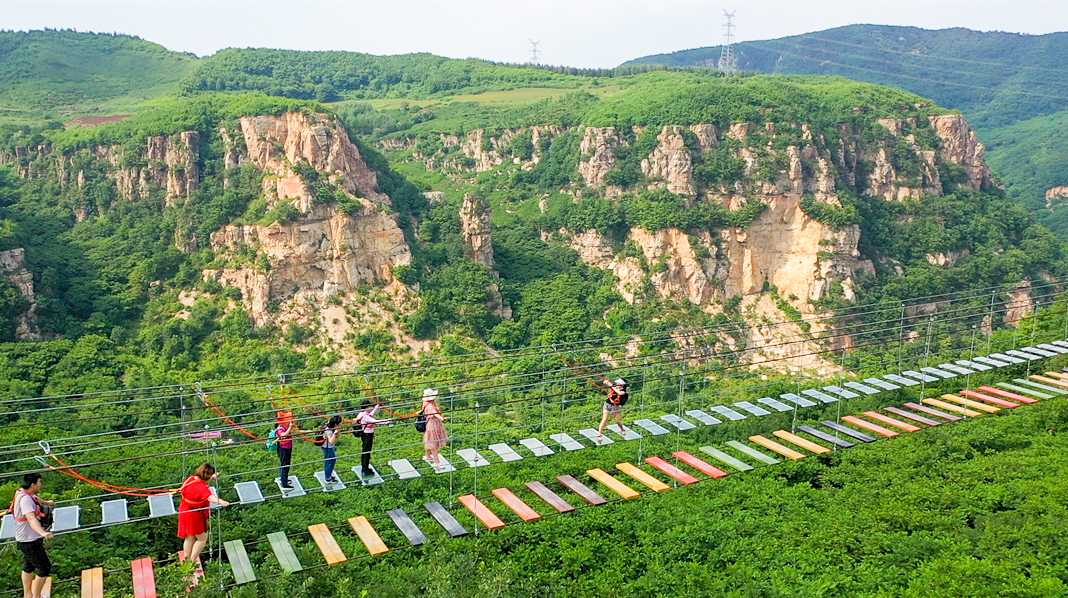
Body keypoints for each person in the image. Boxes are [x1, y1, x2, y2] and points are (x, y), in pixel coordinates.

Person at [177, 463, 230, 573]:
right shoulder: (202, 488)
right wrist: (222, 501)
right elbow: (210, 497)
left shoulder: (191, 479)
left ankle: (186, 561)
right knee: (201, 538)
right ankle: (192, 562)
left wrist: (212, 476)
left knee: (189, 536)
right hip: (195, 514)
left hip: (185, 509)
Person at [12, 473, 54, 598]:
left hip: (25, 538)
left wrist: (47, 502)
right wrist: (43, 532)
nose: (40, 484)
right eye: (39, 482)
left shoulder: (22, 492)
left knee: (28, 566)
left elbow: (36, 498)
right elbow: (30, 518)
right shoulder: (25, 500)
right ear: (33, 484)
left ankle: (28, 595)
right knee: (44, 568)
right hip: (29, 540)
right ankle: (36, 596)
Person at [354, 401, 390, 477]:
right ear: (366, 407)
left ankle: (365, 467)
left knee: (365, 451)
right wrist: (387, 421)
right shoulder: (365, 416)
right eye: (370, 406)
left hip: (366, 434)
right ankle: (365, 469)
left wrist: (377, 408)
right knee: (367, 452)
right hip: (367, 435)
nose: (371, 407)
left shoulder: (363, 414)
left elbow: (371, 414)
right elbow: (375, 421)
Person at [421, 388, 449, 466]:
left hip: (433, 423)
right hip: (433, 424)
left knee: (429, 440)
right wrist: (442, 418)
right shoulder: (429, 405)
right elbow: (434, 413)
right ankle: (437, 461)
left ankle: (428, 456)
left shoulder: (427, 403)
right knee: (433, 442)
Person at [275, 411, 296, 489]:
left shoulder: (285, 427)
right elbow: (283, 435)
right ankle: (284, 483)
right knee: (285, 465)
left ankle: (284, 478)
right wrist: (290, 427)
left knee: (286, 465)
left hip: (287, 447)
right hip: (283, 448)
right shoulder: (280, 428)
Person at [322, 415, 342, 483]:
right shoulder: (329, 430)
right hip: (327, 447)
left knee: (332, 460)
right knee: (329, 462)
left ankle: (329, 475)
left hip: (330, 447)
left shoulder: (330, 426)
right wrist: (335, 433)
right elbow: (331, 441)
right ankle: (328, 477)